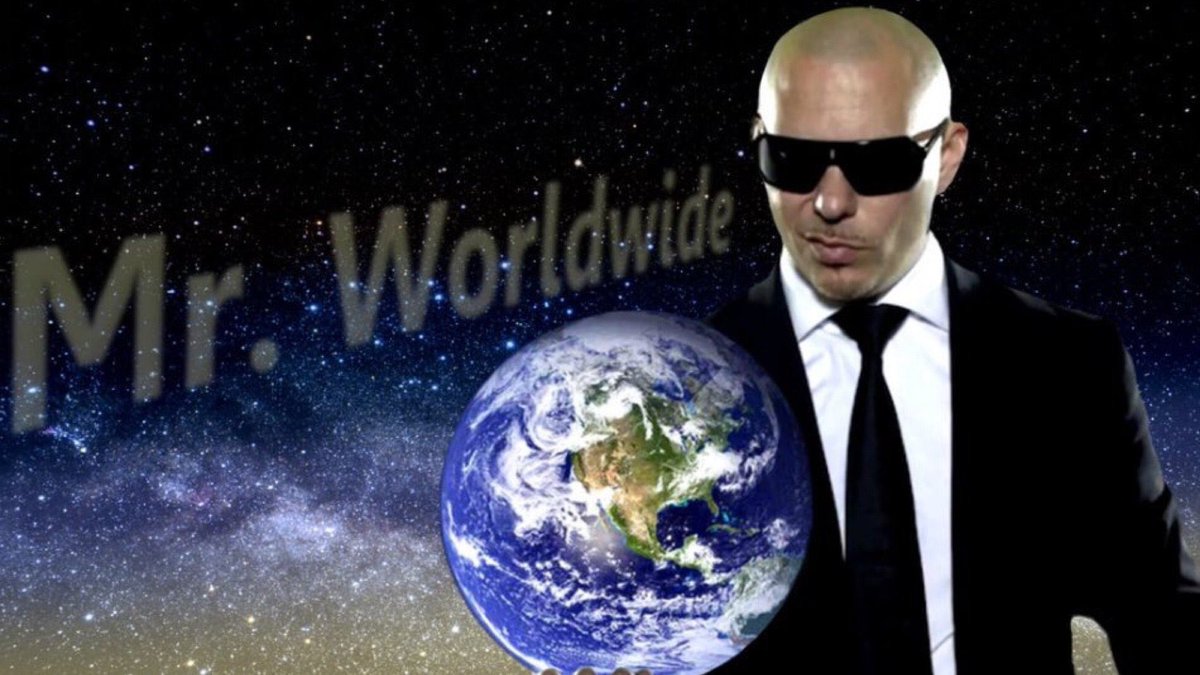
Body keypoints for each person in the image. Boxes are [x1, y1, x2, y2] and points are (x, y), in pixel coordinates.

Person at [704, 6, 1200, 674]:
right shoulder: (688, 385)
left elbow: (1164, 619)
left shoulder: (1068, 364)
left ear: (948, 154)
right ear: (758, 142)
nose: (829, 203)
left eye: (877, 163)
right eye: (791, 158)